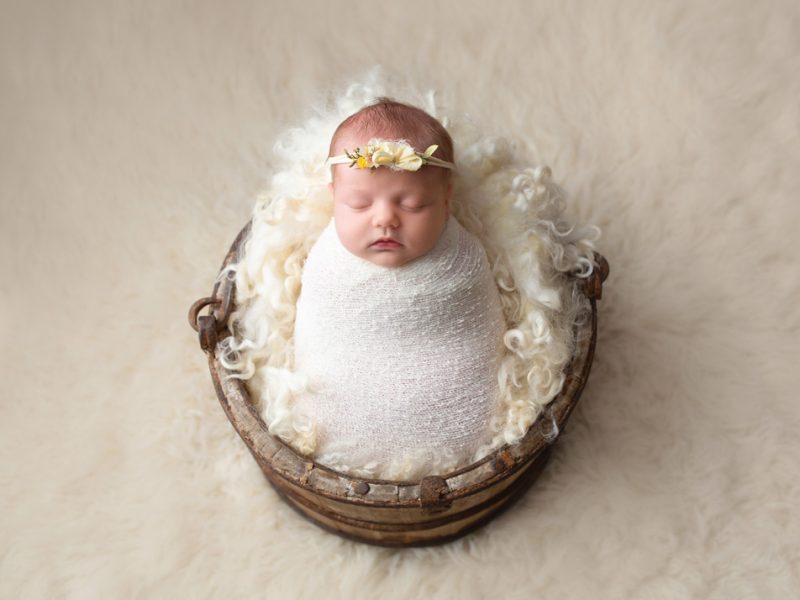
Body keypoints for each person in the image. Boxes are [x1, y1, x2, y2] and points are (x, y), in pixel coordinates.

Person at [290, 99, 507, 480]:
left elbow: (481, 330)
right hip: (337, 439)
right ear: (333, 196)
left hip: (462, 452)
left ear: (446, 198)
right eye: (358, 204)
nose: (386, 219)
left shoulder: (463, 261)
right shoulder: (326, 264)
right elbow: (314, 337)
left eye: (413, 204)